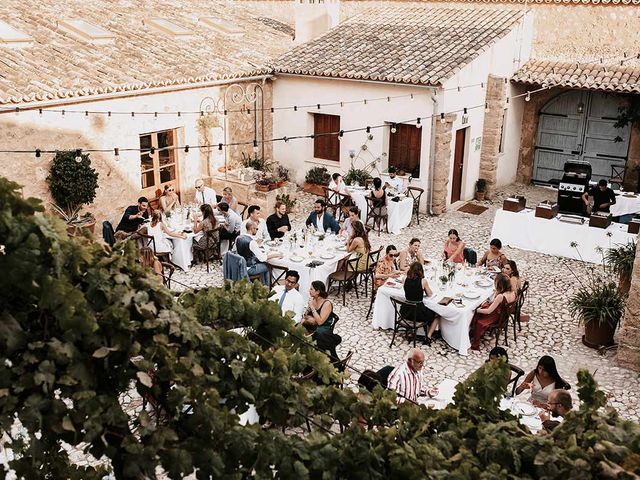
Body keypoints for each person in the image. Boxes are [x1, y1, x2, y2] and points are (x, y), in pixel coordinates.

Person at [470, 273, 516, 351]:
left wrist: (476, 310)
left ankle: (475, 340)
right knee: (485, 305)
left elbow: (489, 311)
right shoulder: (513, 292)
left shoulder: (501, 296)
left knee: (479, 317)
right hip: (504, 315)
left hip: (497, 316)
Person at [403, 262, 438, 345]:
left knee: (416, 311)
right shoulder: (423, 281)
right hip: (418, 313)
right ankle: (428, 336)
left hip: (406, 311)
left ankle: (412, 332)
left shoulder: (405, 279)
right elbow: (430, 294)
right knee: (437, 315)